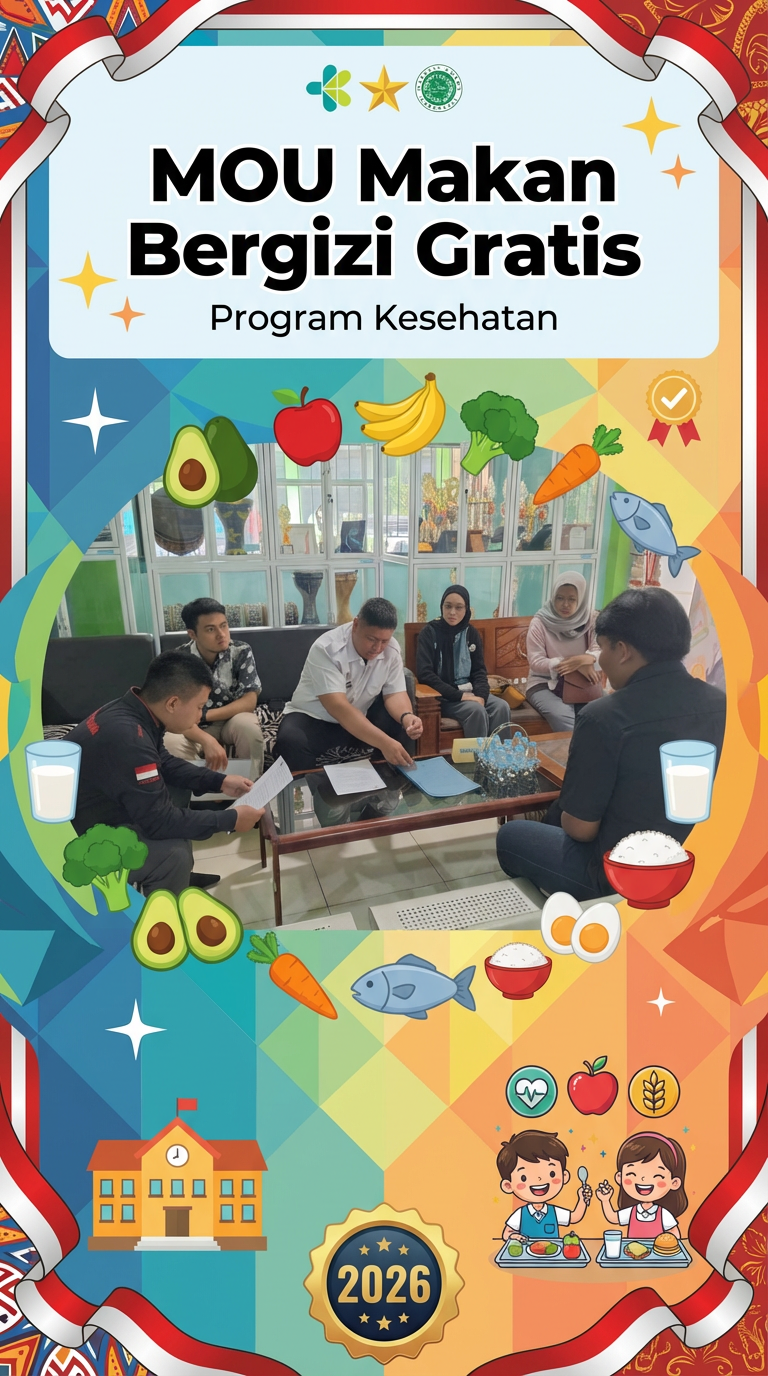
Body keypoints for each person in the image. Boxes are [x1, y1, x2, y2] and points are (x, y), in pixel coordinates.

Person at [497, 587, 727, 900]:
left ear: (623, 650)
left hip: (619, 875)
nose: (600, 661)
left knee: (511, 836)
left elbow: (580, 829)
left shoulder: (603, 717)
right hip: (697, 859)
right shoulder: (722, 705)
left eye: (602, 649)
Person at [68, 650, 263, 895]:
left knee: (178, 793)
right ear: (172, 703)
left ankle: (181, 878)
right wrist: (231, 819)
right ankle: (165, 908)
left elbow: (165, 762)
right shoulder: (130, 739)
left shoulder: (134, 710)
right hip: (77, 836)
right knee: (173, 855)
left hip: (101, 805)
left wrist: (220, 782)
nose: (199, 716)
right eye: (199, 707)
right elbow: (160, 822)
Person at [274, 597, 423, 773]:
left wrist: (407, 717)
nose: (377, 648)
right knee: (291, 740)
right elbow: (339, 708)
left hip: (360, 717)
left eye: (384, 641)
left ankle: (389, 780)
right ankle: (311, 786)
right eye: (371, 639)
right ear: (356, 625)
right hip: (314, 717)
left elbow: (394, 693)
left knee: (398, 723)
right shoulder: (327, 649)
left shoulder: (391, 649)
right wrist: (384, 742)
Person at [163, 598, 264, 779]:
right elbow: (173, 716)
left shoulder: (241, 651)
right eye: (211, 629)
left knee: (249, 728)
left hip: (231, 720)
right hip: (190, 726)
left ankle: (252, 788)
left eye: (224, 626)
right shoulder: (178, 660)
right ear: (192, 634)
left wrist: (204, 715)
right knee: (170, 742)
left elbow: (249, 701)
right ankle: (196, 791)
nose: (221, 634)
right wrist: (206, 740)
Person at [416, 585, 511, 740]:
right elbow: (425, 674)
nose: (452, 612)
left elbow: (479, 671)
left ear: (466, 609)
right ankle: (477, 755)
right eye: (448, 606)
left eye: (459, 607)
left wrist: (481, 696)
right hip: (445, 697)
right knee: (476, 710)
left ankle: (499, 754)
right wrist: (461, 696)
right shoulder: (429, 633)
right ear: (441, 607)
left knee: (501, 707)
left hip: (470, 692)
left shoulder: (471, 633)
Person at [525, 572, 601, 731]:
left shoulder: (591, 619)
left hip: (582, 683)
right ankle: (571, 748)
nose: (565, 604)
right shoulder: (540, 622)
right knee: (564, 717)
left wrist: (584, 660)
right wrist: (576, 664)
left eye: (572, 599)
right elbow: (536, 662)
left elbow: (600, 652)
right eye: (560, 598)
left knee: (604, 714)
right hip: (544, 683)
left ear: (581, 599)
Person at [498, 1130, 592, 1242]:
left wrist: (582, 1199)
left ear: (564, 1176)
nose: (539, 1179)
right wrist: (514, 1236)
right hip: (526, 1253)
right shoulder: (520, 1214)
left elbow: (574, 1217)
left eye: (551, 1173)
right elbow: (506, 1233)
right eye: (524, 1177)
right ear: (508, 1186)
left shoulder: (554, 1212)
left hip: (553, 1252)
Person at [596, 1133, 687, 1240]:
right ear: (619, 1177)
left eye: (657, 1175)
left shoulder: (663, 1214)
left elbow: (673, 1231)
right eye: (632, 1174)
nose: (643, 1179)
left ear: (674, 1183)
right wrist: (605, 1200)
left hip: (657, 1250)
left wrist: (670, 1245)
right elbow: (613, 1218)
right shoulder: (632, 1211)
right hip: (632, 1250)